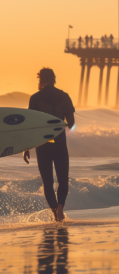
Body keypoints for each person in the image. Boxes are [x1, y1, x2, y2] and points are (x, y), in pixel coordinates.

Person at [23, 68, 75, 222]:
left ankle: (55, 214)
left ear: (41, 80)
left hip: (43, 145)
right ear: (54, 79)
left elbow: (30, 125)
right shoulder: (64, 97)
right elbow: (71, 123)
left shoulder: (35, 98)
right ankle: (60, 208)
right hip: (59, 144)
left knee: (47, 182)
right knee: (63, 179)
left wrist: (26, 147)